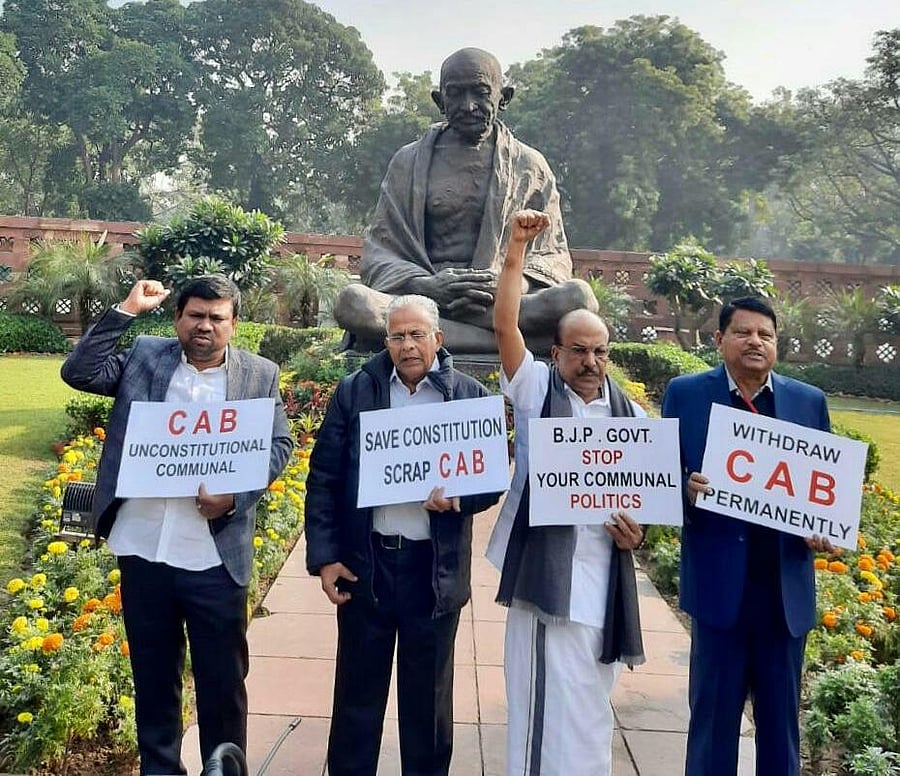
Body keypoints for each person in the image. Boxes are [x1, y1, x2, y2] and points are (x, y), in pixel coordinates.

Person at [60, 275, 294, 775]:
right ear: (178, 318)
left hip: (213, 555)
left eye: (216, 317)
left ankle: (223, 768)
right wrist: (126, 309)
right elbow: (79, 371)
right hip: (144, 549)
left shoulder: (259, 375)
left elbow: (279, 446)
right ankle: (160, 769)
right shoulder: (146, 356)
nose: (204, 325)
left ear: (233, 324)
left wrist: (235, 497)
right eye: (195, 315)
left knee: (222, 683)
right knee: (154, 678)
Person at [304, 294, 503, 776]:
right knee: (356, 696)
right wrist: (326, 557)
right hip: (366, 564)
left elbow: (491, 481)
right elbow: (325, 477)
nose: (407, 345)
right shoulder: (356, 390)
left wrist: (458, 499)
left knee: (429, 705)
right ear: (385, 340)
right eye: (397, 336)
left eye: (417, 335)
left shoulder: (470, 397)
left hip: (433, 571)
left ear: (438, 338)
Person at [486, 210, 645, 776]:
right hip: (543, 580)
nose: (590, 361)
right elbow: (505, 326)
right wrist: (515, 252)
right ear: (555, 354)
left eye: (599, 351)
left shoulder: (629, 415)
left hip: (603, 582)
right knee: (539, 705)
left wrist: (638, 532)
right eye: (578, 350)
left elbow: (647, 498)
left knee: (591, 706)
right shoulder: (535, 392)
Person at [661, 296, 834, 776]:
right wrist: (684, 490)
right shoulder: (686, 394)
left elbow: (822, 492)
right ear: (719, 340)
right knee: (713, 726)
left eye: (766, 335)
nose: (755, 342)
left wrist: (823, 530)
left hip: (784, 596)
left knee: (781, 734)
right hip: (720, 595)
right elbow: (660, 478)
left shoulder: (808, 402)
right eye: (743, 332)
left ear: (777, 345)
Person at [334, 47, 597, 354]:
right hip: (425, 299)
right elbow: (380, 253)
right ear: (439, 100)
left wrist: (507, 284)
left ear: (504, 97)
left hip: (499, 301)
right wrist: (427, 286)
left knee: (579, 297)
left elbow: (551, 256)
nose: (468, 105)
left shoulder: (530, 166)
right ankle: (503, 342)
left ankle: (424, 339)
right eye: (456, 94)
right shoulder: (407, 163)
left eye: (481, 93)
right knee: (354, 302)